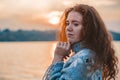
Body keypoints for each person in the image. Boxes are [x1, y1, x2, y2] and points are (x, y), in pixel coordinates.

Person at [43, 4, 118, 80]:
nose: (68, 28)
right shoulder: (85, 55)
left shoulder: (85, 58)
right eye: (67, 23)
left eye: (76, 24)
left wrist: (58, 57)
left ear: (88, 29)